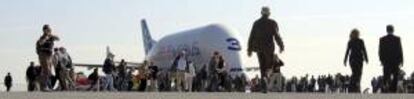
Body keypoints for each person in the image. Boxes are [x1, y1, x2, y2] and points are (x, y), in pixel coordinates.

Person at [247, 6, 284, 93]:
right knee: (269, 67)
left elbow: (251, 37)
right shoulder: (272, 23)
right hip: (269, 48)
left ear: (261, 13)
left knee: (262, 67)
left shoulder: (256, 23)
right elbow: (276, 36)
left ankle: (264, 86)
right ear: (269, 13)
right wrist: (281, 46)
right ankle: (265, 78)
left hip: (258, 49)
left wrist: (249, 49)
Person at [379, 25, 404, 93]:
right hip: (395, 60)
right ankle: (393, 89)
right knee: (395, 75)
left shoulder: (382, 39)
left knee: (386, 74)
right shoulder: (397, 39)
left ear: (387, 30)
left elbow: (380, 51)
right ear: (393, 30)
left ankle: (385, 87)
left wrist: (381, 60)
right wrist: (401, 60)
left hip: (386, 61)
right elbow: (400, 50)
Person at [36, 24, 59, 91]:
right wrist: (46, 37)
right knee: (46, 70)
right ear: (44, 30)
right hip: (43, 55)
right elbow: (40, 43)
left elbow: (58, 38)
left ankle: (43, 86)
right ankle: (44, 87)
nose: (49, 30)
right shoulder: (43, 37)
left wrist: (51, 35)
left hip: (49, 55)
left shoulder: (51, 37)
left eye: (50, 29)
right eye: (48, 29)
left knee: (48, 72)